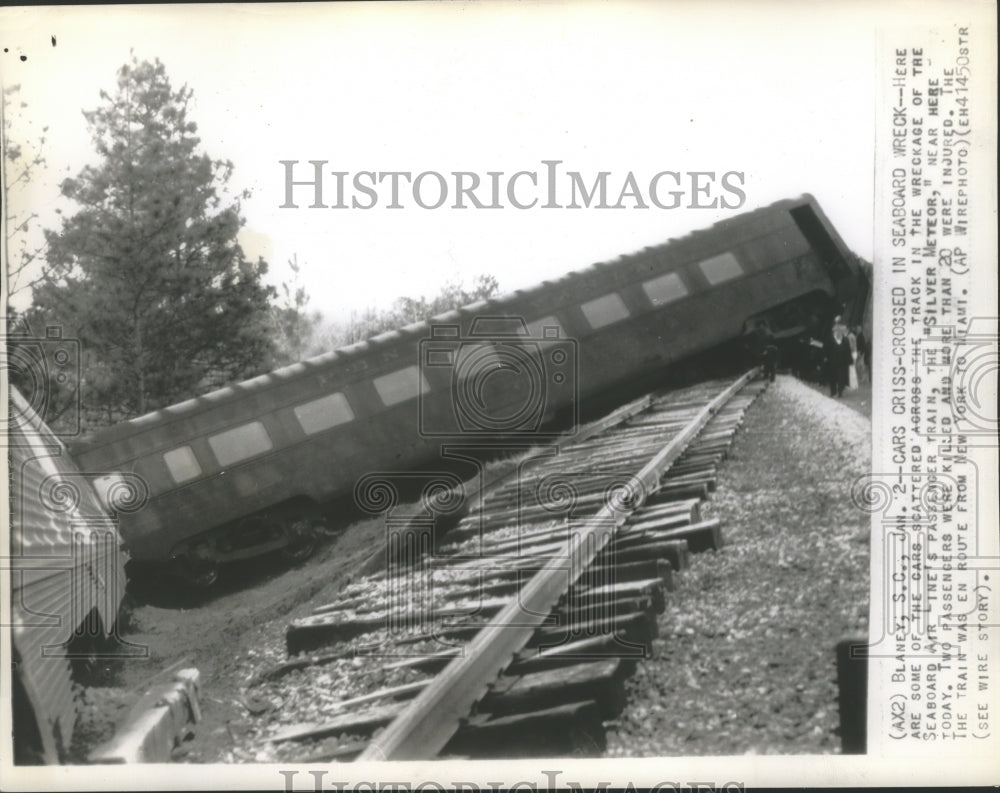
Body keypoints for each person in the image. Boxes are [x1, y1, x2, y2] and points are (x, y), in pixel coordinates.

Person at [825, 317, 853, 397]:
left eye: (840, 330)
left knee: (841, 378)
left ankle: (840, 392)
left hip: (842, 363)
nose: (839, 331)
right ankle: (833, 392)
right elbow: (825, 349)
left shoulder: (845, 340)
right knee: (832, 377)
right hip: (832, 362)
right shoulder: (830, 339)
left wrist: (850, 361)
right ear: (834, 330)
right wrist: (825, 357)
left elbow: (848, 351)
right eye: (837, 330)